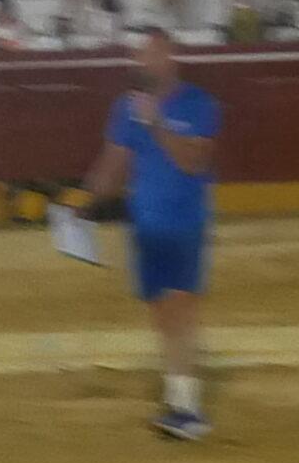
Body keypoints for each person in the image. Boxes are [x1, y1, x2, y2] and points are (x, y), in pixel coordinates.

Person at [76, 29, 221, 439]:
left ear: (169, 58)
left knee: (180, 309)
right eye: (139, 57)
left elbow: (193, 161)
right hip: (146, 224)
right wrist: (82, 203)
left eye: (149, 55)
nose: (142, 63)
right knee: (162, 313)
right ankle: (179, 401)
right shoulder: (126, 107)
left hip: (185, 221)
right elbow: (114, 164)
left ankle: (188, 409)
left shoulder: (199, 104)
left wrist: (155, 121)